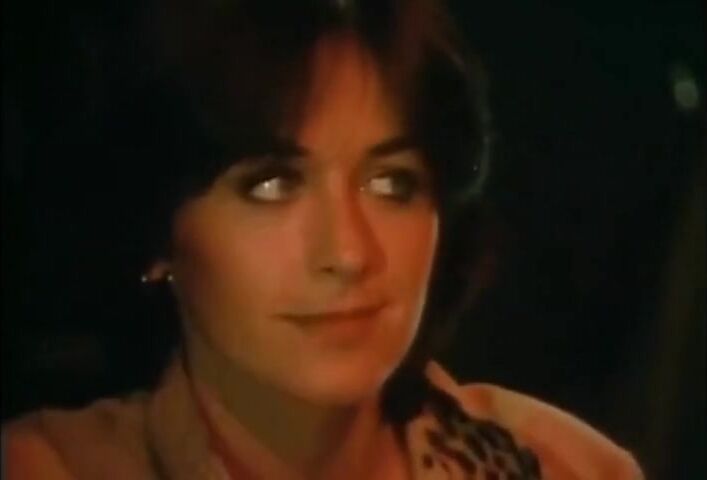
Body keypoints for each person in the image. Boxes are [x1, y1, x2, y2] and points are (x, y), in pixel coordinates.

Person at [3, 0, 644, 478]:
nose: (348, 253)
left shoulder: (568, 467)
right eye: (272, 186)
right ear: (160, 234)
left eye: (392, 183)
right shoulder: (47, 468)